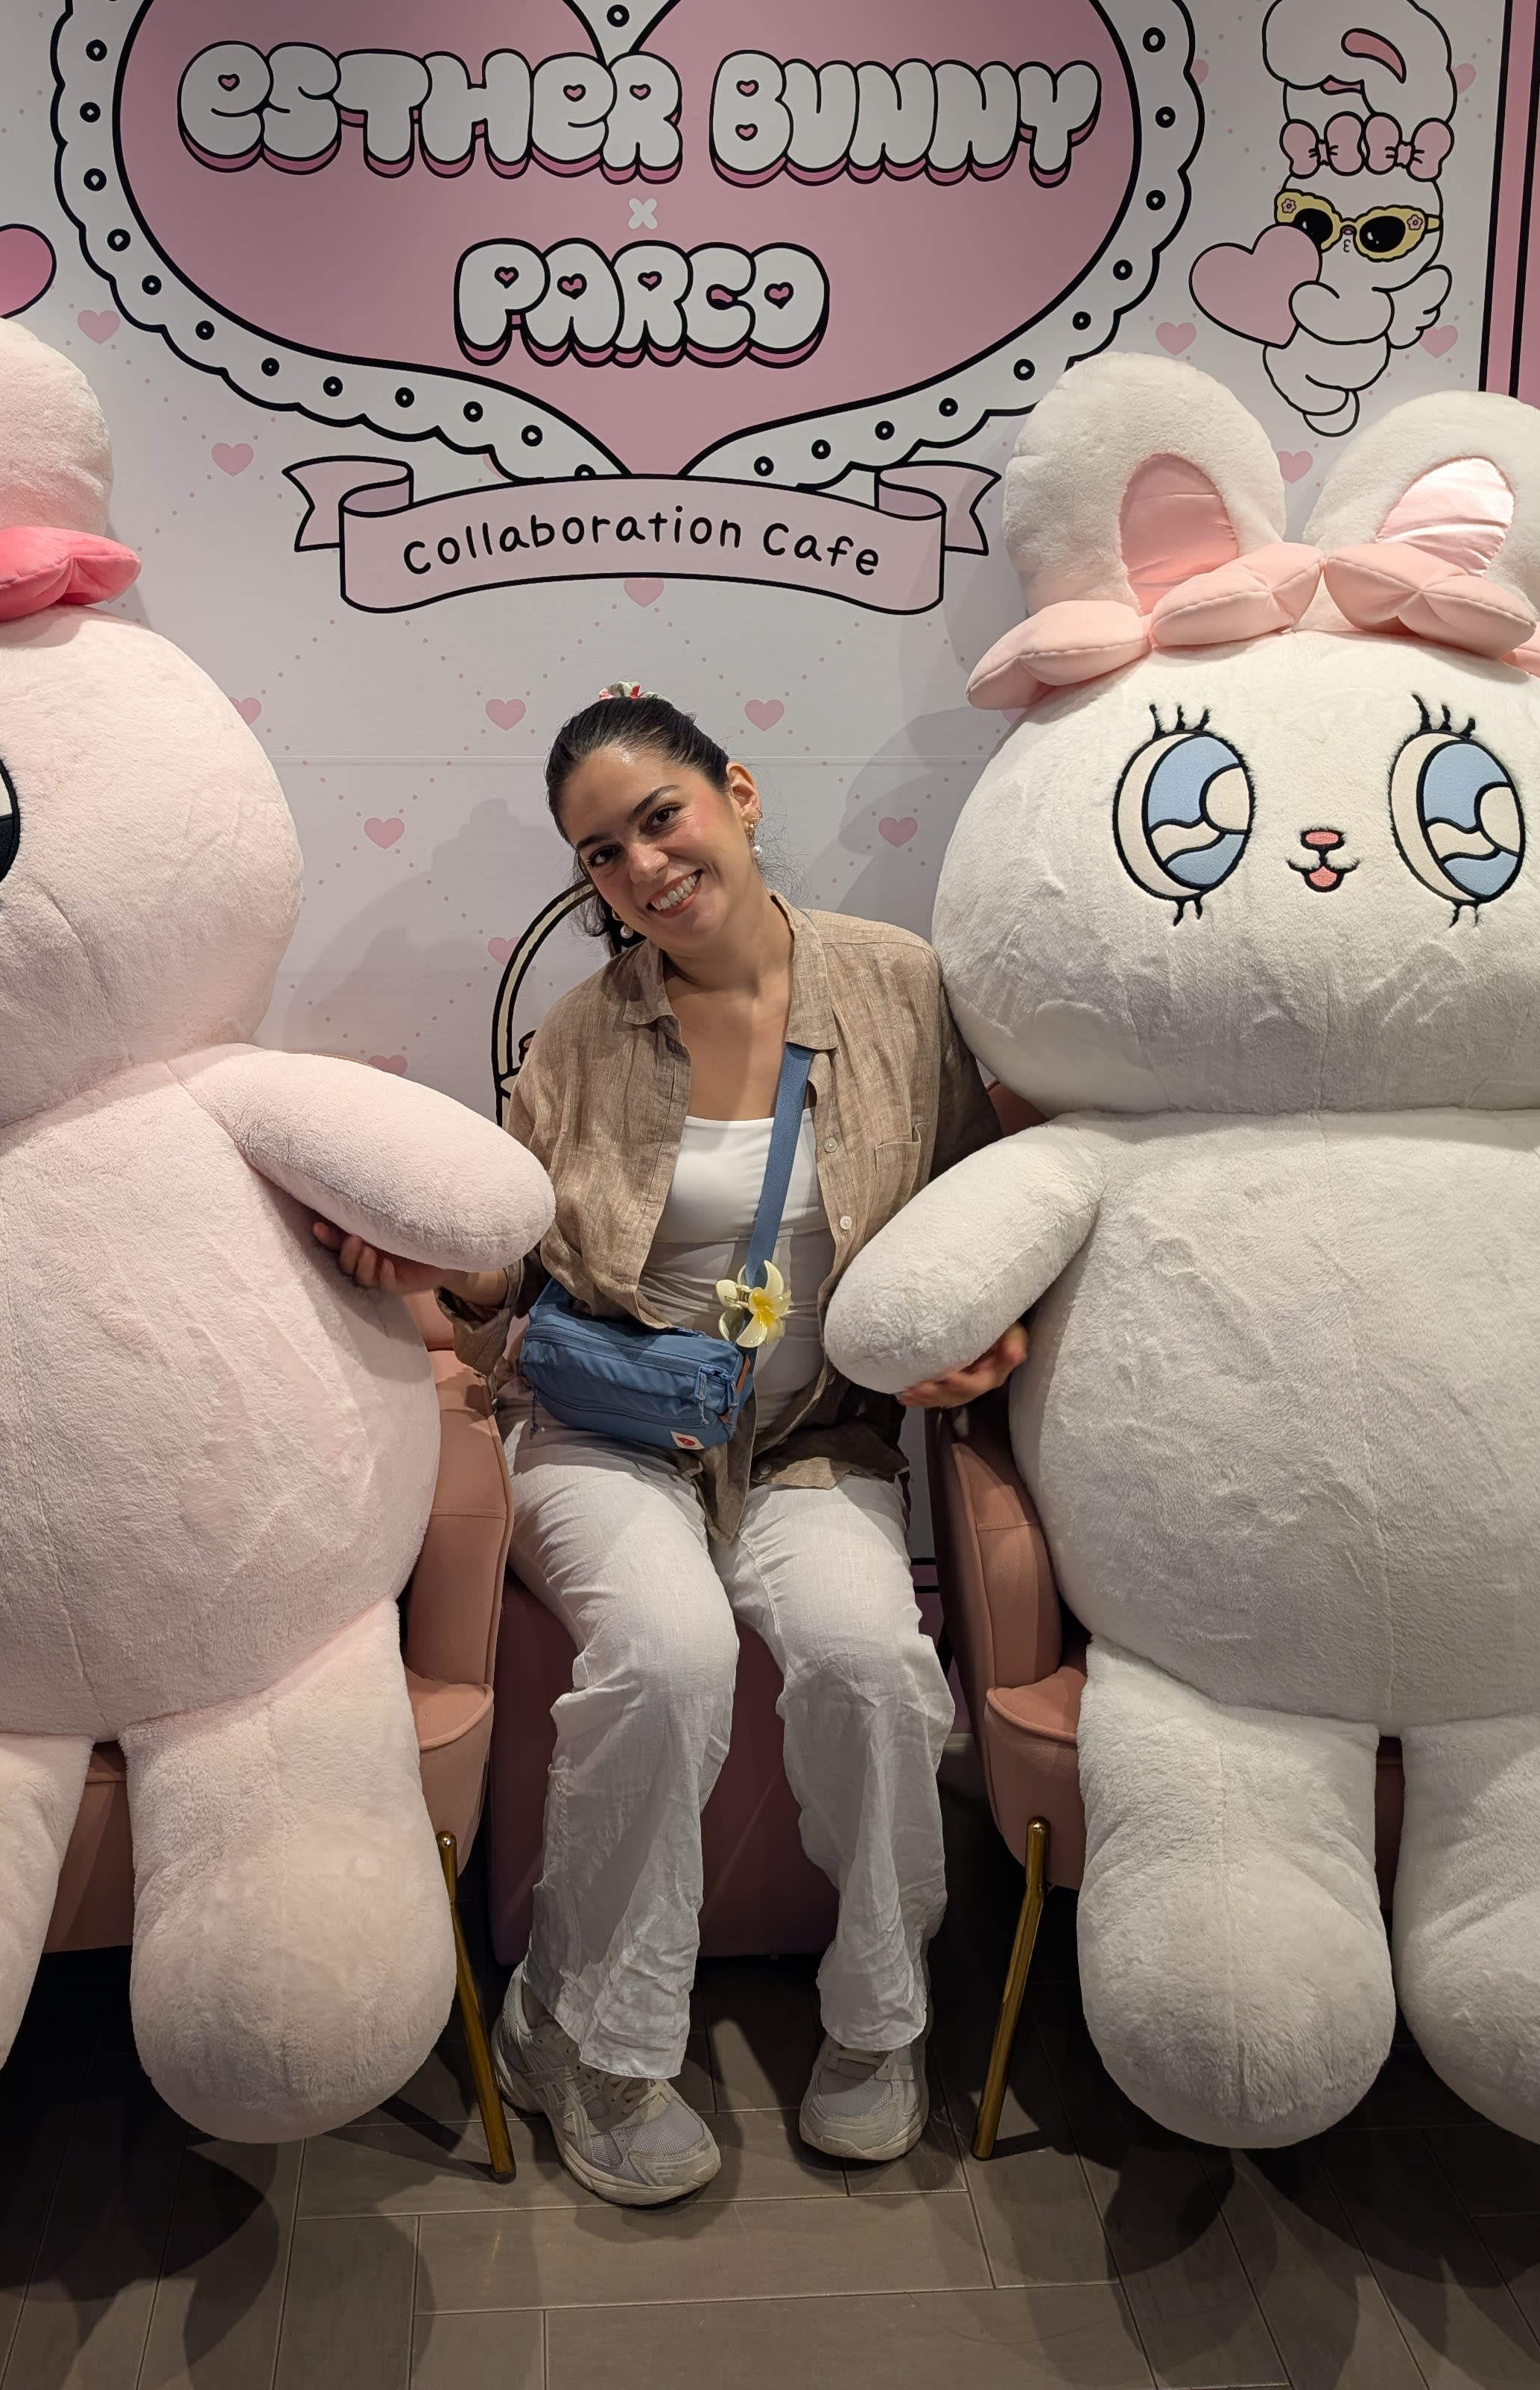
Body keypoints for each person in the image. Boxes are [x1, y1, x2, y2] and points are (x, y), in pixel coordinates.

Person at [314, 686, 1026, 2205]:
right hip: (602, 1434)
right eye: (601, 853)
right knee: (671, 1654)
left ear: (738, 796)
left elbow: (981, 1205)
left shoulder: (900, 990)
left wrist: (997, 1332)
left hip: (812, 1442)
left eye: (661, 817)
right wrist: (428, 1269)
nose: (642, 865)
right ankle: (582, 2037)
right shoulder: (585, 1034)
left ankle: (879, 2022)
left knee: (875, 1666)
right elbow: (512, 1271)